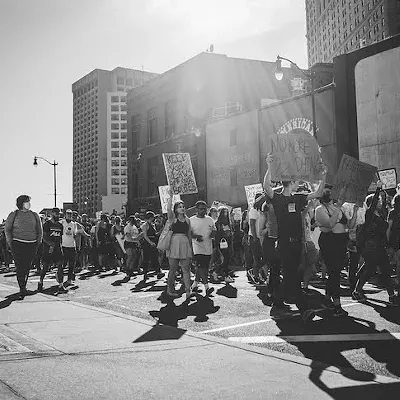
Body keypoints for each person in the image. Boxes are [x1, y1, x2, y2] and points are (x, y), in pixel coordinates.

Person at [263, 154, 327, 323]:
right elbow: (266, 186)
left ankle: (276, 298)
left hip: (297, 243)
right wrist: (269, 165)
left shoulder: (298, 197)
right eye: (297, 181)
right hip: (284, 244)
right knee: (292, 275)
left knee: (293, 275)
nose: (299, 183)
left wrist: (324, 176)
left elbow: (319, 193)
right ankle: (304, 308)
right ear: (290, 182)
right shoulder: (277, 198)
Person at [352, 182, 399, 305]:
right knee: (369, 269)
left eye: (379, 200)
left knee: (385, 269)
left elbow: (383, 230)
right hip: (370, 246)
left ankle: (391, 295)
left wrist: (384, 191)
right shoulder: (369, 214)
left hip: (379, 245)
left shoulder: (381, 214)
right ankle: (357, 290)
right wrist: (377, 188)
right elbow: (372, 206)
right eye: (377, 200)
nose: (379, 202)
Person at [315, 185, 359, 316]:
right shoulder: (319, 209)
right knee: (334, 272)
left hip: (341, 242)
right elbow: (329, 223)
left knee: (335, 271)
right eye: (326, 192)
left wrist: (355, 211)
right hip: (329, 242)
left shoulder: (338, 208)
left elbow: (349, 225)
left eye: (330, 192)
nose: (329, 194)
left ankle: (327, 299)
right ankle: (337, 304)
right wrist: (338, 208)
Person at [5, 195, 43, 299]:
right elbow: (7, 229)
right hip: (17, 243)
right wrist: (10, 242)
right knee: (20, 266)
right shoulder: (14, 214)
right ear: (21, 203)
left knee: (27, 266)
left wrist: (38, 242)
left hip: (32, 243)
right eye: (27, 201)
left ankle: (24, 287)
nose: (29, 203)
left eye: (29, 201)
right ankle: (22, 287)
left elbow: (39, 230)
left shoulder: (34, 215)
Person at [166, 188, 193, 301]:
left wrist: (191, 248)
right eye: (179, 207)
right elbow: (168, 209)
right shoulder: (173, 218)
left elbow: (189, 234)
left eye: (183, 206)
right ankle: (170, 289)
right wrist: (171, 196)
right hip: (174, 244)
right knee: (173, 269)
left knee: (186, 269)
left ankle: (188, 290)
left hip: (185, 243)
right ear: (176, 209)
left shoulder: (187, 220)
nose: (182, 208)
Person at [190, 201, 216, 296]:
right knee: (201, 267)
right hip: (197, 248)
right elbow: (188, 233)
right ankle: (206, 286)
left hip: (207, 247)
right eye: (201, 208)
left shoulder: (209, 219)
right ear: (196, 209)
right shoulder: (191, 220)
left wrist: (213, 233)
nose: (203, 210)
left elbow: (214, 230)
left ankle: (194, 285)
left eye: (205, 209)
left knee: (203, 268)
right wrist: (196, 236)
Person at [39, 207, 65, 293]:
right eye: (56, 213)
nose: (58, 215)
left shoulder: (60, 225)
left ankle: (61, 285)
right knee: (46, 267)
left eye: (59, 214)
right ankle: (40, 281)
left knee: (60, 266)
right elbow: (44, 237)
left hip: (57, 249)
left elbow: (60, 237)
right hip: (48, 249)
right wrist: (50, 243)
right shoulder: (47, 224)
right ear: (52, 213)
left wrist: (60, 246)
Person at [247, 193, 266, 285]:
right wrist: (255, 237)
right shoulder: (253, 210)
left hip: (261, 237)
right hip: (254, 237)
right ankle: (255, 275)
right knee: (257, 258)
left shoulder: (260, 211)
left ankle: (254, 271)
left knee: (265, 258)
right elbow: (252, 224)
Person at [141, 212, 164, 281]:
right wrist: (150, 242)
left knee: (154, 257)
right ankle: (146, 273)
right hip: (148, 243)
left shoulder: (152, 225)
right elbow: (145, 235)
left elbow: (155, 234)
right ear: (150, 217)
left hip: (153, 242)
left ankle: (158, 272)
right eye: (152, 217)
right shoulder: (145, 225)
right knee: (146, 258)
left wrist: (160, 231)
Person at [215, 207, 234, 283]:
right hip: (222, 243)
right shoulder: (218, 223)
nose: (225, 214)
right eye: (224, 212)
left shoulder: (228, 223)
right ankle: (223, 274)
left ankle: (218, 273)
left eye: (226, 212)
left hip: (228, 243)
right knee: (224, 259)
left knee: (227, 260)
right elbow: (218, 235)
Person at [386, 193, 400, 294]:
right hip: (396, 238)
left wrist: (386, 240)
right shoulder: (393, 212)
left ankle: (389, 278)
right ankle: (397, 279)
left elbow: (389, 228)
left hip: (393, 238)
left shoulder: (392, 212)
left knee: (387, 260)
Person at [61, 210, 78, 286]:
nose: (69, 216)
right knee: (63, 264)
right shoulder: (62, 222)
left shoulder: (74, 224)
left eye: (70, 214)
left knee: (72, 264)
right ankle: (59, 278)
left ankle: (69, 280)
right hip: (64, 246)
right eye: (68, 214)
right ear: (65, 215)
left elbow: (75, 234)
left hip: (72, 246)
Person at [123, 215, 142, 280]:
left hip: (134, 243)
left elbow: (136, 235)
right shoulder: (127, 227)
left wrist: (137, 241)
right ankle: (127, 269)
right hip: (128, 243)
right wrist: (134, 239)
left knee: (134, 256)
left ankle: (131, 269)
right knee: (130, 256)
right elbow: (128, 235)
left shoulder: (134, 227)